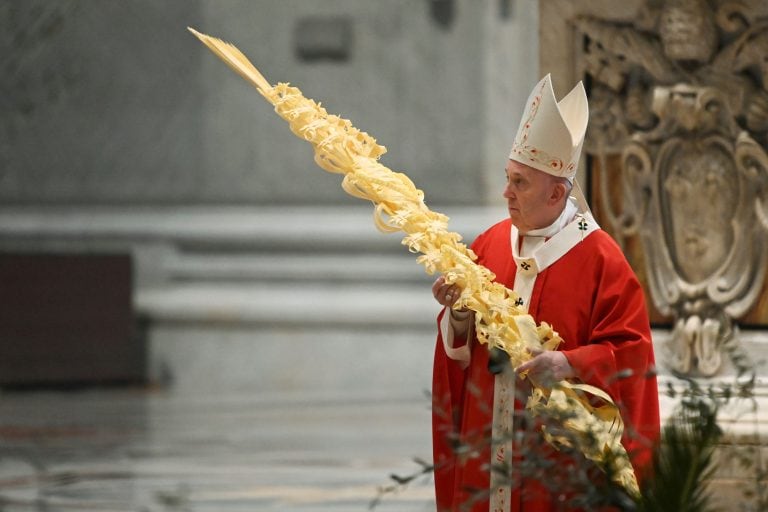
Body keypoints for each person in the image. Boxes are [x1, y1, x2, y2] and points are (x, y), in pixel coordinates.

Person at [430, 74, 660, 511]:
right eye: (508, 178)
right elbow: (461, 352)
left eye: (521, 183)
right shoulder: (490, 243)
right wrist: (457, 314)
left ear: (557, 192)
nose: (506, 193)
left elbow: (631, 355)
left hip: (555, 464)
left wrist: (569, 363)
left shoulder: (601, 259)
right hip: (489, 443)